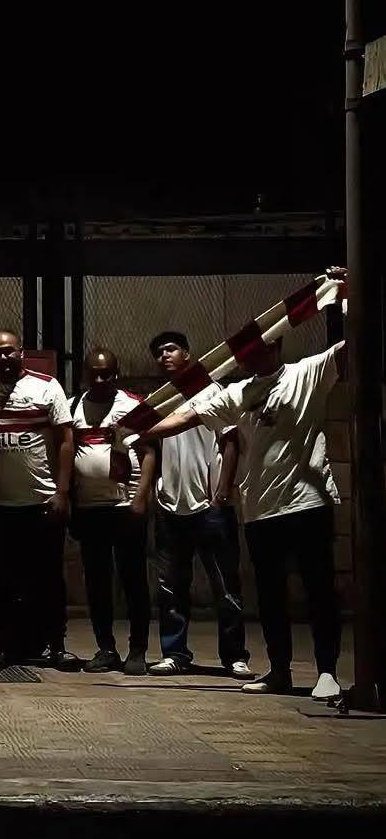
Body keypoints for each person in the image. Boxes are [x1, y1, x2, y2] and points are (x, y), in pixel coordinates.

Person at [135, 268, 349, 700]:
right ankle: (279, 671)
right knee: (269, 597)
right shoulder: (238, 392)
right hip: (260, 509)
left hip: (307, 503)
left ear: (277, 343)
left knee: (318, 590)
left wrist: (346, 295)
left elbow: (352, 346)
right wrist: (133, 431)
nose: (248, 356)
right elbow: (187, 416)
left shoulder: (307, 373)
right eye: (245, 350)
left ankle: (327, 671)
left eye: (257, 347)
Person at [143, 331, 253, 679]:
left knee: (226, 586)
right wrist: (154, 492)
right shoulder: (159, 400)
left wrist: (222, 492)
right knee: (170, 588)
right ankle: (175, 653)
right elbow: (150, 448)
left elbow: (231, 442)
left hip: (210, 507)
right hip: (170, 507)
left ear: (188, 354)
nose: (164, 356)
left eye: (171, 349)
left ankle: (234, 656)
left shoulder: (212, 391)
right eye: (158, 352)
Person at [0, 330, 82, 671]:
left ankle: (56, 645)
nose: (4, 358)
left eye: (9, 351)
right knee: (4, 579)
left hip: (42, 501)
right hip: (1, 505)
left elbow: (66, 440)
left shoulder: (47, 387)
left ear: (21, 352)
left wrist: (61, 492)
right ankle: (7, 647)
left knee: (48, 577)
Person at [69, 348, 156, 676]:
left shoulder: (133, 405)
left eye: (106, 374)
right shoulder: (74, 406)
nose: (100, 379)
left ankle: (138, 650)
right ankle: (105, 648)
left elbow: (149, 452)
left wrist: (141, 497)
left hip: (125, 506)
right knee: (97, 582)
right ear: (85, 375)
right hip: (89, 508)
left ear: (116, 374)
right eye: (94, 373)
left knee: (133, 580)